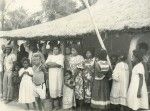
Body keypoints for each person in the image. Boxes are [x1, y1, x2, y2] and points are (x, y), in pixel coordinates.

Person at [45, 45, 64, 110]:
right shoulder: (50, 56)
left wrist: (51, 64)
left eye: (56, 49)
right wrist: (55, 64)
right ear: (52, 50)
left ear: (59, 50)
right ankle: (52, 105)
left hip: (58, 75)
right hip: (51, 75)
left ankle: (59, 105)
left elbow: (59, 64)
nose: (55, 50)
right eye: (54, 49)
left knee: (58, 88)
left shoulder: (61, 56)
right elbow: (46, 64)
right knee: (52, 88)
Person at [69, 46, 84, 110]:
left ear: (77, 51)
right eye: (71, 50)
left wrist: (73, 77)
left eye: (74, 50)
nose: (72, 51)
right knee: (73, 91)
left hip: (78, 76)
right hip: (72, 76)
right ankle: (75, 105)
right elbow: (70, 68)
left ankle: (80, 107)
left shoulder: (80, 57)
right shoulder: (70, 57)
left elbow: (79, 68)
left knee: (79, 91)